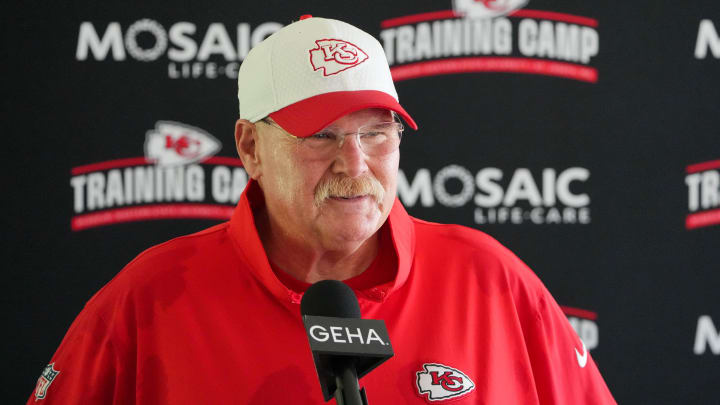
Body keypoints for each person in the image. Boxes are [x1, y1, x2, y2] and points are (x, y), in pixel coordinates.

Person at [29, 16, 616, 404]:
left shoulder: (493, 281)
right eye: (322, 136)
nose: (355, 165)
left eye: (377, 133)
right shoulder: (147, 298)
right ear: (251, 148)